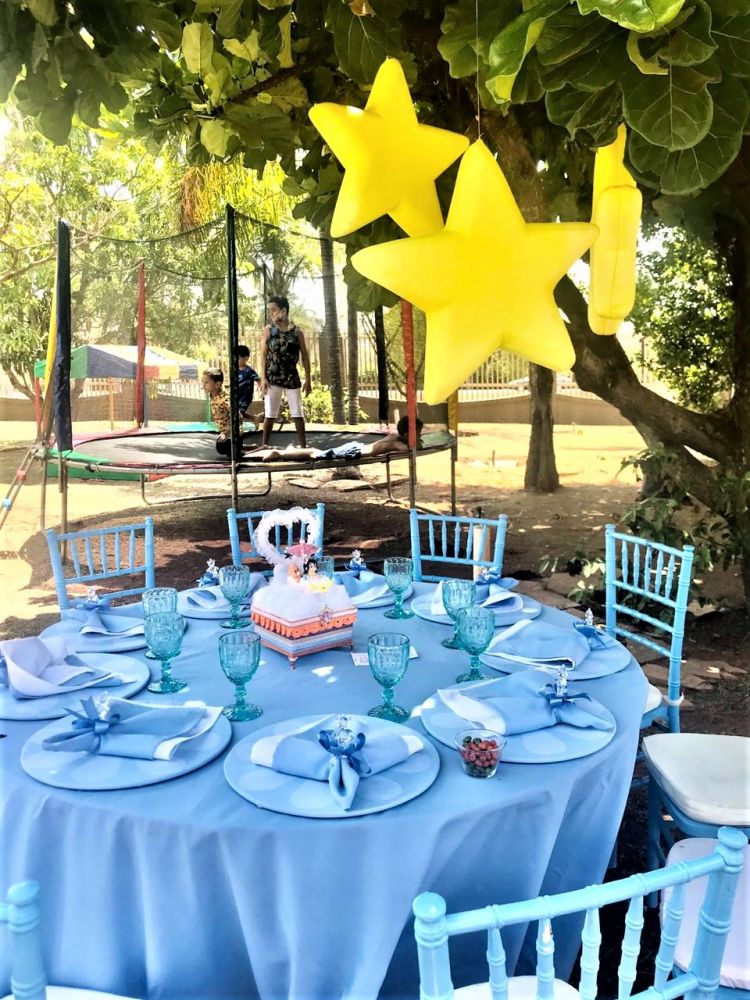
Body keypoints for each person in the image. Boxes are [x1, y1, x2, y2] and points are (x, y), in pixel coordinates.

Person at [259, 296, 312, 447]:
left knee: (297, 413)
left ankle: (303, 446)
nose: (271, 313)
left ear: (283, 310)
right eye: (269, 311)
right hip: (273, 377)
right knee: (270, 414)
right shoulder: (268, 330)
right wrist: (263, 378)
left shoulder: (297, 332)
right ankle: (264, 445)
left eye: (274, 310)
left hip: (291, 377)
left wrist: (308, 380)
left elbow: (305, 357)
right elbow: (263, 355)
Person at [255, 415, 423, 463]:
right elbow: (410, 449)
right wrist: (418, 444)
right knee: (315, 454)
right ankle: (280, 453)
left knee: (318, 452)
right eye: (418, 433)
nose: (420, 436)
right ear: (407, 434)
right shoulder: (396, 442)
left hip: (356, 447)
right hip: (354, 451)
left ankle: (289, 452)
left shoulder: (395, 435)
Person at [202, 368, 236, 458]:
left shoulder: (224, 399)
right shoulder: (213, 394)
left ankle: (249, 451)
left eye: (206, 383)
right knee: (221, 446)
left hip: (233, 434)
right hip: (226, 432)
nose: (203, 385)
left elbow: (238, 416)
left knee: (221, 447)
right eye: (203, 382)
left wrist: (227, 433)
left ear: (217, 384)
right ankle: (245, 447)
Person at [236, 344, 260, 428]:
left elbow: (258, 379)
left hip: (245, 397)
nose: (236, 360)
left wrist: (262, 389)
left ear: (246, 358)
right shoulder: (234, 370)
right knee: (235, 411)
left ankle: (239, 428)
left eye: (238, 358)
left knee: (238, 413)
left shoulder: (249, 371)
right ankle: (254, 418)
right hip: (237, 396)